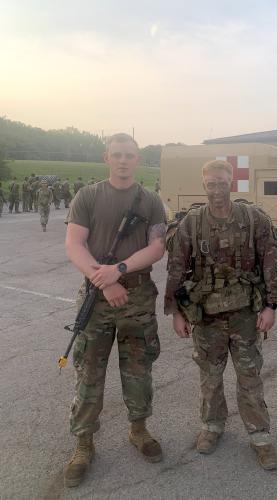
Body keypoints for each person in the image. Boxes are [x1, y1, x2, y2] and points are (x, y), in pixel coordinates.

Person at [165, 159, 277, 470]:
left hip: (246, 314)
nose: (217, 189)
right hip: (206, 316)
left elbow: (270, 260)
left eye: (222, 182)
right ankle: (212, 426)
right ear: (203, 184)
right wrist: (176, 312)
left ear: (231, 182)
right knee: (210, 376)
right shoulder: (192, 223)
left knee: (250, 376)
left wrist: (271, 306)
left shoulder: (253, 217)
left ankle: (260, 436)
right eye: (211, 183)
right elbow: (176, 268)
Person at [64, 133, 166, 488]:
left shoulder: (150, 200)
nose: (123, 160)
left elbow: (157, 248)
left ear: (138, 159)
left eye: (130, 155)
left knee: (138, 369)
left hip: (137, 298)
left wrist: (119, 271)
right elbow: (74, 244)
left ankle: (139, 430)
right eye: (117, 154)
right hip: (97, 296)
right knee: (89, 371)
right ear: (106, 157)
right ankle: (83, 444)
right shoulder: (88, 196)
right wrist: (104, 281)